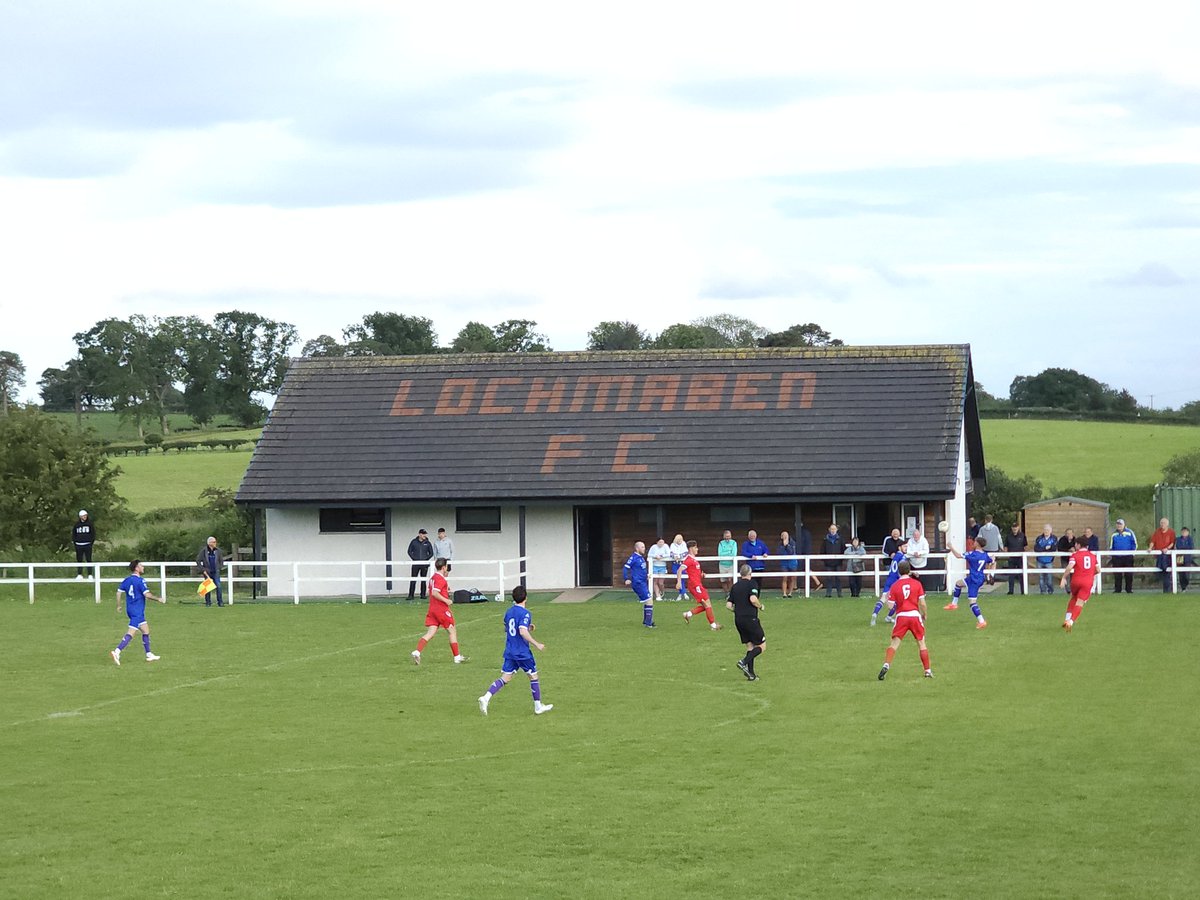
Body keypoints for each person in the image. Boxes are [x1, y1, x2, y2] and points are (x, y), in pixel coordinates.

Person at [477, 585, 552, 716]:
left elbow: (509, 629)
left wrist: (528, 627)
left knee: (506, 677)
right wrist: (536, 644)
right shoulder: (526, 613)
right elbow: (522, 632)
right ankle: (538, 706)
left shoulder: (509, 612)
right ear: (526, 598)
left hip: (510, 650)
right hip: (522, 652)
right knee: (533, 676)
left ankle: (486, 697)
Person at [877, 561, 933, 680]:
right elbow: (922, 603)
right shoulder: (916, 584)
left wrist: (890, 600)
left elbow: (890, 606)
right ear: (909, 571)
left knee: (894, 643)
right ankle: (927, 671)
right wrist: (925, 614)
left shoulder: (895, 585)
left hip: (901, 616)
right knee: (921, 643)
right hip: (914, 615)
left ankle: (886, 664)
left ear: (899, 571)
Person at [411, 558, 467, 665]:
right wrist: (447, 600)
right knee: (452, 631)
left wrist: (445, 590)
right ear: (444, 567)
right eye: (446, 567)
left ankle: (417, 651)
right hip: (441, 610)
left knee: (430, 633)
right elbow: (434, 593)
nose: (447, 570)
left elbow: (432, 590)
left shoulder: (433, 578)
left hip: (432, 609)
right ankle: (457, 657)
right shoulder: (441, 579)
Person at [110, 560, 165, 665]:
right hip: (137, 610)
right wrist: (158, 599)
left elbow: (118, 593)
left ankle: (149, 654)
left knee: (145, 630)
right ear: (136, 568)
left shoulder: (127, 580)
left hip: (130, 609)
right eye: (141, 565)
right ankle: (117, 651)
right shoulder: (140, 581)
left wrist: (119, 605)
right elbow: (147, 595)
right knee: (131, 632)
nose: (143, 567)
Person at [726, 565, 765, 681]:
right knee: (762, 646)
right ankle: (743, 662)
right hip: (750, 619)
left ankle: (751, 674)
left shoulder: (735, 586)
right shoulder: (752, 584)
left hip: (738, 620)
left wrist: (737, 611)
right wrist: (761, 606)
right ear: (750, 573)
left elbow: (728, 606)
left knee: (750, 646)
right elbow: (753, 599)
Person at [944, 538, 991, 628]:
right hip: (977, 578)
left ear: (977, 544)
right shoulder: (984, 555)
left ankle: (982, 621)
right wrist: (990, 572)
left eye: (975, 542)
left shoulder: (972, 554)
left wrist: (951, 547)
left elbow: (958, 556)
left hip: (974, 580)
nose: (973, 543)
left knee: (972, 602)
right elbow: (991, 561)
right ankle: (954, 604)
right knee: (958, 583)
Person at [1060, 536, 1099, 632]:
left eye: (1076, 544)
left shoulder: (1075, 555)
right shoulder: (1093, 556)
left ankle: (1066, 619)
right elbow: (1098, 570)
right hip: (1087, 582)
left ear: (1079, 545)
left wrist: (1064, 578)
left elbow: (1069, 567)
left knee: (1073, 597)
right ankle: (1070, 622)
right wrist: (1089, 574)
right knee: (1080, 602)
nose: (1075, 545)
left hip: (1076, 581)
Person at [680, 540, 721, 631]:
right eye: (695, 547)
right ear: (691, 549)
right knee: (707, 605)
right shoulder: (688, 560)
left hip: (698, 585)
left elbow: (693, 573)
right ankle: (713, 625)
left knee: (706, 605)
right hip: (695, 586)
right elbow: (680, 570)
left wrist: (701, 575)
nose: (697, 549)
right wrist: (678, 583)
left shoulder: (694, 560)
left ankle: (688, 614)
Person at [870, 540, 908, 626]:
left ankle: (875, 614)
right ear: (900, 547)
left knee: (883, 599)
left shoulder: (895, 556)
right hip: (896, 581)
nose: (906, 548)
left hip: (889, 579)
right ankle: (889, 617)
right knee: (899, 600)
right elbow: (901, 569)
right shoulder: (902, 557)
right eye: (905, 546)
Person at [623, 540, 654, 627]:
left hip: (643, 582)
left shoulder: (640, 558)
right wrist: (626, 578)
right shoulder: (634, 558)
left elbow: (640, 570)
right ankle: (648, 623)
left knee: (647, 601)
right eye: (642, 547)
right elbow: (625, 568)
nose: (644, 549)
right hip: (638, 583)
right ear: (637, 548)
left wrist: (646, 576)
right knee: (649, 601)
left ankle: (646, 621)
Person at [1109, 518, 1137, 594]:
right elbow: (1111, 546)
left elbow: (1134, 544)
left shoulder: (1130, 532)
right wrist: (1112, 555)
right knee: (1117, 574)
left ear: (1124, 525)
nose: (1119, 526)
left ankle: (1129, 589)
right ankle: (1118, 589)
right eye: (1118, 524)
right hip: (1117, 557)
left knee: (1128, 574)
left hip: (1128, 556)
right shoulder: (1114, 534)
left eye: (1120, 524)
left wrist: (1132, 554)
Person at [195, 536, 225, 607]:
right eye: (214, 542)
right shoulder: (204, 551)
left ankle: (220, 602)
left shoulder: (218, 551)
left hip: (216, 572)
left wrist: (219, 568)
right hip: (207, 572)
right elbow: (198, 560)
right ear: (209, 543)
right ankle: (208, 602)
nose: (215, 543)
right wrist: (203, 570)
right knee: (207, 588)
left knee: (219, 586)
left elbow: (221, 561)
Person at [1149, 517, 1176, 593]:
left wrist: (1167, 548)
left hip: (1167, 555)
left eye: (1164, 523)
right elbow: (1152, 541)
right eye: (1161, 523)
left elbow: (1172, 543)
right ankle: (1166, 589)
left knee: (1166, 571)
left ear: (1167, 524)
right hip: (1159, 555)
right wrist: (1150, 548)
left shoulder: (1171, 532)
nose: (1162, 524)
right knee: (1163, 571)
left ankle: (1168, 589)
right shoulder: (1157, 532)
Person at [406, 528, 434, 600]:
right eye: (423, 534)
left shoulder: (427, 543)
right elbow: (409, 551)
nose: (424, 535)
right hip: (416, 564)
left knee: (423, 579)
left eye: (425, 534)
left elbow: (431, 553)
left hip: (424, 564)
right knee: (413, 579)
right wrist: (414, 559)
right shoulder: (413, 542)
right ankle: (411, 595)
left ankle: (423, 594)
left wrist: (426, 560)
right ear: (419, 534)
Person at [741, 529, 769, 594]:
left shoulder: (761, 543)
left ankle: (757, 597)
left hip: (760, 567)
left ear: (756, 536)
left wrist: (765, 553)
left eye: (753, 535)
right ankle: (750, 596)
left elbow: (766, 550)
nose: (752, 537)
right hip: (751, 568)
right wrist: (751, 556)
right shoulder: (746, 544)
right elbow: (744, 552)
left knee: (759, 583)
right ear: (748, 536)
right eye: (751, 536)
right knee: (751, 583)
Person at [822, 524, 846, 597]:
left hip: (838, 562)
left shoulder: (840, 539)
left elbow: (843, 549)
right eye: (831, 529)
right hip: (828, 563)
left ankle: (839, 593)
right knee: (829, 578)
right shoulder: (825, 539)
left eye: (834, 529)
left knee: (838, 578)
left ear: (836, 530)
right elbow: (822, 550)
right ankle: (828, 593)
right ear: (829, 530)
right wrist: (825, 560)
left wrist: (841, 559)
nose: (833, 530)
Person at [1003, 522, 1028, 595]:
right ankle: (1011, 591)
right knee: (1011, 575)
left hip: (1020, 558)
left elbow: (1025, 546)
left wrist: (1025, 556)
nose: (1015, 528)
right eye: (1013, 527)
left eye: (1016, 527)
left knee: (1021, 575)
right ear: (1012, 528)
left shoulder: (1022, 535)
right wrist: (1006, 553)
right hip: (1011, 558)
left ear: (1018, 527)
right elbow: (1006, 546)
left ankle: (1023, 591)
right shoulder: (1008, 536)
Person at [977, 515, 1002, 584]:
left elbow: (979, 538)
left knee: (987, 563)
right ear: (991, 520)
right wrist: (1001, 547)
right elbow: (999, 538)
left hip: (985, 548)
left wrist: (979, 547)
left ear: (985, 520)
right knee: (993, 562)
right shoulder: (996, 528)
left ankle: (987, 576)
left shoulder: (982, 529)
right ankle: (992, 575)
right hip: (994, 548)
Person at [1034, 524, 1058, 594]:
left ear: (1051, 531)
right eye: (1045, 530)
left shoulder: (1054, 538)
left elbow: (1054, 548)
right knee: (1041, 577)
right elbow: (1036, 549)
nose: (1046, 531)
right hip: (1039, 560)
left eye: (1047, 530)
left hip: (1049, 561)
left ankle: (1050, 590)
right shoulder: (1039, 538)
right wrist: (1045, 548)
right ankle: (1042, 591)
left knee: (1049, 577)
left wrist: (1045, 549)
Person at [72, 510, 96, 580]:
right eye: (83, 516)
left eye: (85, 515)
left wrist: (90, 543)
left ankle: (90, 574)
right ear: (80, 517)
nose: (85, 517)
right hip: (79, 545)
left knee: (88, 559)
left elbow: (93, 534)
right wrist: (75, 543)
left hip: (87, 544)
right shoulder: (77, 525)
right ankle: (79, 574)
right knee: (79, 559)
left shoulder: (90, 524)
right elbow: (74, 534)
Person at [796, 522, 820, 591]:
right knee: (805, 569)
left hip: (803, 554)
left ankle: (817, 583)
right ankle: (817, 582)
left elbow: (804, 544)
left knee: (804, 568)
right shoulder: (806, 533)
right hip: (805, 553)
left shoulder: (802, 533)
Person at [717, 529, 739, 594]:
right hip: (722, 564)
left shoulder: (734, 543)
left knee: (730, 580)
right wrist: (729, 552)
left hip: (731, 564)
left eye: (729, 536)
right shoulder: (721, 543)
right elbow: (720, 554)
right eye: (726, 536)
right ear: (724, 536)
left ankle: (730, 593)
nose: (727, 538)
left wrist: (725, 553)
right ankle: (726, 593)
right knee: (723, 580)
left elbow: (734, 554)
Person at [777, 530, 798, 597]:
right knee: (784, 577)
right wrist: (783, 545)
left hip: (792, 562)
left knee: (792, 578)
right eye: (783, 536)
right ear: (781, 537)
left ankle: (790, 593)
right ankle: (784, 593)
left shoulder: (792, 543)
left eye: (786, 535)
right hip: (784, 562)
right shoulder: (780, 544)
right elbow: (779, 552)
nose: (785, 537)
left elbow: (791, 552)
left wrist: (787, 546)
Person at [669, 533, 689, 600]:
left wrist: (680, 556)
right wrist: (675, 556)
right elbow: (671, 553)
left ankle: (681, 594)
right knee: (678, 577)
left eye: (681, 539)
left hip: (682, 563)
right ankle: (684, 593)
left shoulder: (684, 544)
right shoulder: (672, 545)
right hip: (675, 563)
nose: (680, 540)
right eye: (678, 539)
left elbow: (686, 552)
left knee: (682, 578)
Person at [1177, 526, 1194, 591]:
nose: (1184, 533)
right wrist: (1184, 548)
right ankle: (1183, 588)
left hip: (1187, 558)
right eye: (1183, 531)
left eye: (1185, 531)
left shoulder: (1190, 539)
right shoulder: (1178, 539)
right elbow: (1178, 546)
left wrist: (1184, 548)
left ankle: (1186, 584)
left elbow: (1191, 547)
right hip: (1180, 557)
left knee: (1186, 573)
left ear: (1188, 532)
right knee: (1181, 574)